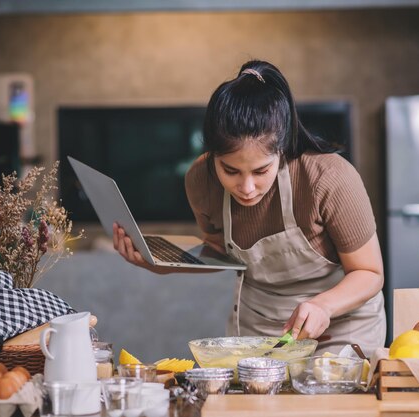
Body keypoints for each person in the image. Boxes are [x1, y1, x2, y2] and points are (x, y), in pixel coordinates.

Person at [113, 59, 386, 356]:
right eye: (230, 171)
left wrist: (324, 305)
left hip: (340, 326)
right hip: (261, 329)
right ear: (212, 154)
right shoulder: (200, 180)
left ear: (281, 149)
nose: (246, 188)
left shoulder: (329, 178)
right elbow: (220, 250)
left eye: (260, 171)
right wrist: (161, 261)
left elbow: (370, 272)